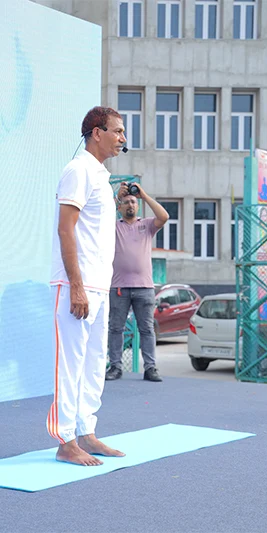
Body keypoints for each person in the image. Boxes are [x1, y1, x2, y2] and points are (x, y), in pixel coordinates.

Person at [48, 106, 127, 466]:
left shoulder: (100, 174)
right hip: (76, 285)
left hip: (100, 284)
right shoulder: (78, 169)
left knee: (94, 363)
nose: (123, 138)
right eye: (118, 131)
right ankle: (65, 439)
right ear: (97, 132)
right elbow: (67, 229)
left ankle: (87, 432)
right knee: (72, 364)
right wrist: (76, 286)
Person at [104, 182, 168, 382]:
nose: (130, 204)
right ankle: (115, 366)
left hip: (144, 287)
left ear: (138, 205)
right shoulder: (112, 227)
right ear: (120, 208)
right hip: (119, 287)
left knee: (147, 329)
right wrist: (115, 198)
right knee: (115, 328)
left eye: (133, 201)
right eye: (126, 202)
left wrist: (143, 195)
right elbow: (99, 217)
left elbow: (164, 216)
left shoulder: (146, 225)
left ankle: (150, 368)